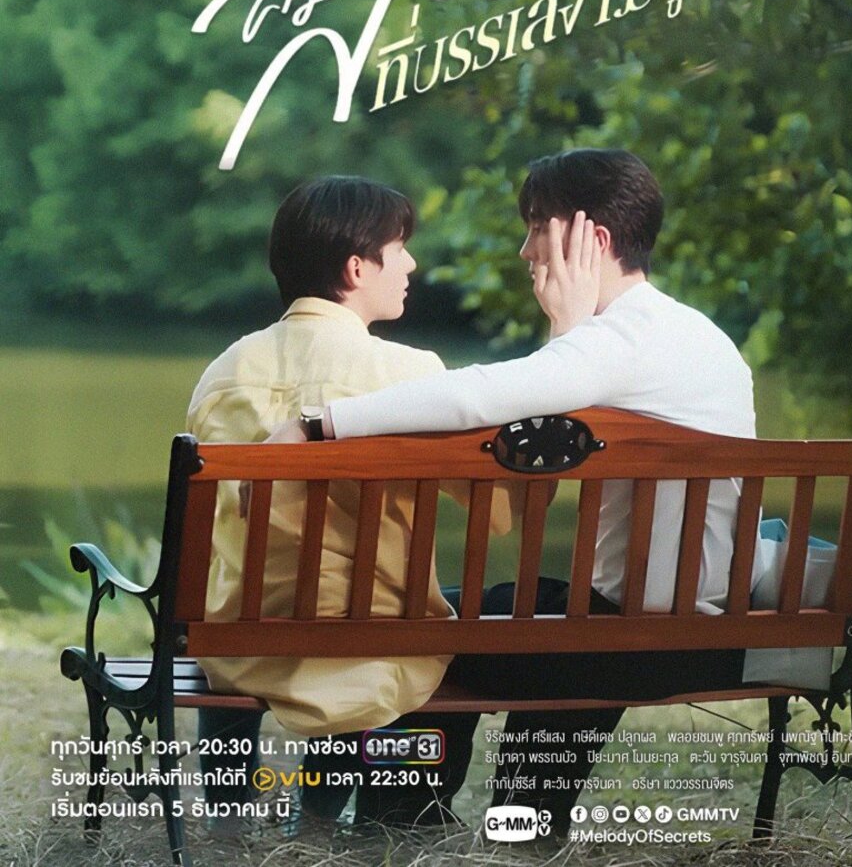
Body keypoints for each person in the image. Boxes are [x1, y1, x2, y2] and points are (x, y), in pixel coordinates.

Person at [269, 149, 756, 832]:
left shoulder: (624, 341)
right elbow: (549, 401)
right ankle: (523, 820)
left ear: (592, 239)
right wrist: (568, 333)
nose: (526, 250)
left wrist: (321, 423)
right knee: (512, 610)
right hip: (686, 631)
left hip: (635, 642)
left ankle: (401, 822)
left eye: (536, 228)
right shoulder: (691, 335)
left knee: (421, 626)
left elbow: (479, 396)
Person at [187, 175, 488, 827]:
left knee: (240, 602)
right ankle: (318, 815)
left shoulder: (225, 370)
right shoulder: (412, 374)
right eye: (400, 248)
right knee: (363, 633)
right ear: (356, 268)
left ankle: (228, 814)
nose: (412, 264)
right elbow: (487, 508)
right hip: (376, 642)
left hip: (240, 638)